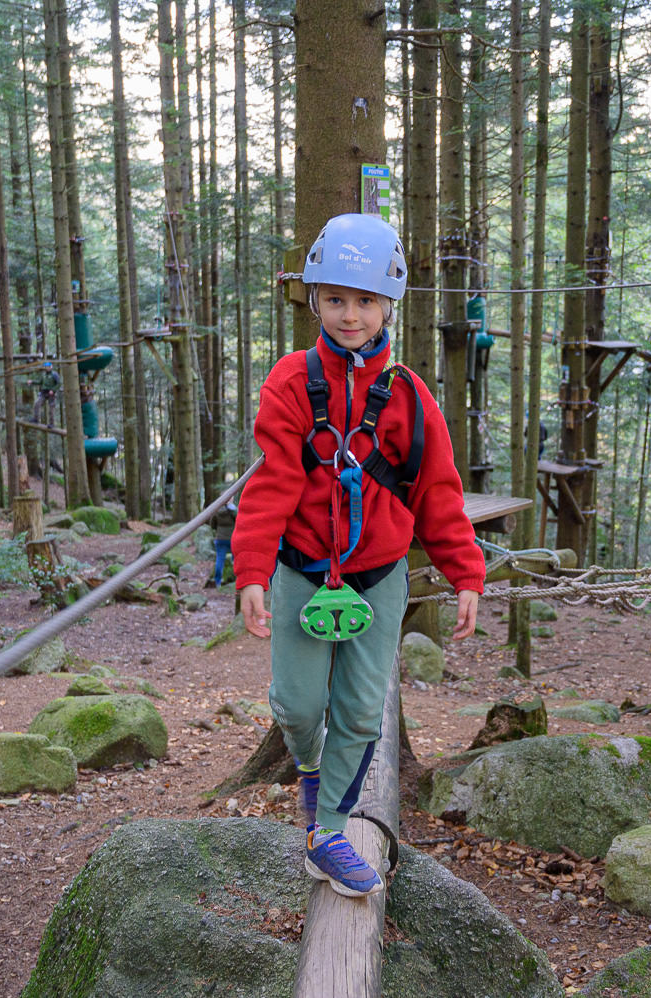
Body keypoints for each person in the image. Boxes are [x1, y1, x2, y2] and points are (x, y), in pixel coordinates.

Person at [233, 213, 484, 898]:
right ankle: (311, 771)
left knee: (359, 708)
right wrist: (251, 569)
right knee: (295, 703)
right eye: (337, 298)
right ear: (315, 299)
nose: (351, 315)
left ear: (387, 307)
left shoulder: (408, 396)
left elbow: (437, 491)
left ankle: (329, 832)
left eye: (366, 301)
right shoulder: (290, 383)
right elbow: (272, 482)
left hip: (377, 578)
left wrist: (465, 572)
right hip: (300, 570)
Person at [206, 502, 237, 588]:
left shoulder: (217, 511)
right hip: (232, 539)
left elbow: (212, 524)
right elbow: (239, 520)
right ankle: (236, 581)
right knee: (236, 560)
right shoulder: (233, 510)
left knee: (219, 560)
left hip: (220, 539)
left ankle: (218, 582)